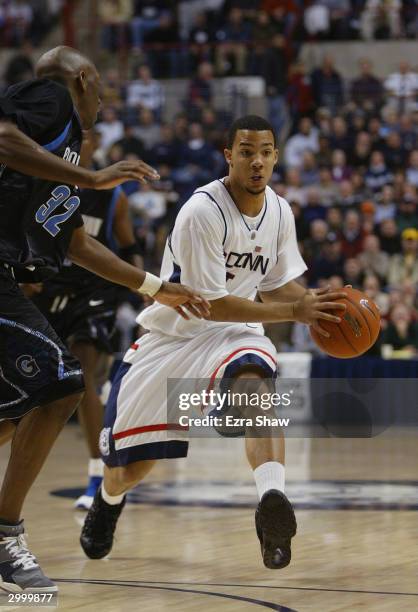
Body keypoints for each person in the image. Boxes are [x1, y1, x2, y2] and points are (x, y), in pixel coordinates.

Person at [80, 115, 346, 570]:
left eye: (265, 152)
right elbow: (212, 304)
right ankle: (108, 498)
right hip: (174, 336)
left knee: (256, 385)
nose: (257, 161)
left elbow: (277, 285)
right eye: (246, 151)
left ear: (277, 156)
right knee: (132, 469)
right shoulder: (202, 209)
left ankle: (272, 500)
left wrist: (316, 305)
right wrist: (293, 311)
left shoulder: (280, 211)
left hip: (234, 333)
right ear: (229, 156)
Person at [0, 45, 209, 594]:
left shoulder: (65, 155)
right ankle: (4, 537)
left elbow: (74, 242)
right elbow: (0, 136)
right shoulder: (50, 99)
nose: (102, 105)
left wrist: (156, 288)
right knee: (64, 383)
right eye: (101, 92)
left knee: (18, 405)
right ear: (85, 80)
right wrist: (93, 180)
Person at [29, 130, 143, 511]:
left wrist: (142, 297)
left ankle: (98, 472)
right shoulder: (45, 184)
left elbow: (129, 249)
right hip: (50, 291)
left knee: (82, 374)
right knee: (38, 389)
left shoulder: (113, 197)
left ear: (95, 146)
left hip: (96, 295)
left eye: (86, 139)